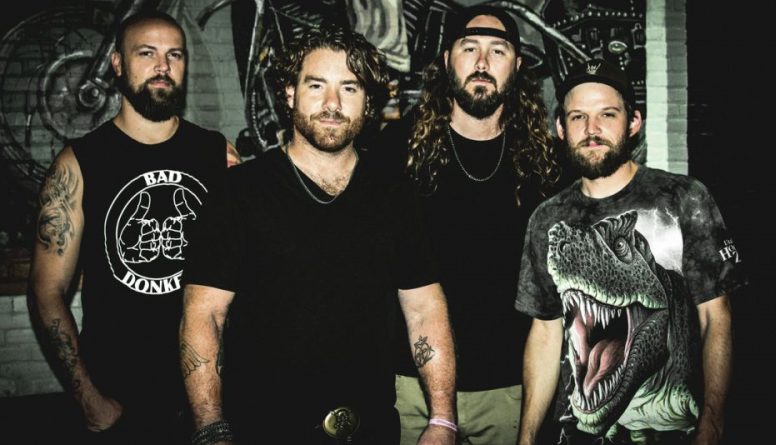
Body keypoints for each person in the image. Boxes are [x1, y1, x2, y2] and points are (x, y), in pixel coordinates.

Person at [179, 27, 457, 445]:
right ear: (290, 93)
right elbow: (204, 315)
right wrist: (211, 428)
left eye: (349, 88)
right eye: (316, 85)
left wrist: (443, 419)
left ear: (368, 102)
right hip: (264, 431)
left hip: (372, 430)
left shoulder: (395, 193)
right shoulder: (238, 192)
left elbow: (424, 309)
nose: (332, 104)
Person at [26, 10, 239, 444]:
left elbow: (246, 268)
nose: (163, 66)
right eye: (147, 53)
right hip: (119, 395)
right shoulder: (78, 163)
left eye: (174, 55)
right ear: (117, 64)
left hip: (210, 393)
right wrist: (90, 399)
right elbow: (47, 291)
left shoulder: (217, 154)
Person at [515, 59, 745, 445]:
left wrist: (713, 421)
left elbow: (715, 317)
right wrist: (525, 437)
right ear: (560, 128)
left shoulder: (685, 198)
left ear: (633, 122)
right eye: (577, 117)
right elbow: (546, 332)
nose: (592, 129)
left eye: (607, 114)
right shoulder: (547, 218)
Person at [375, 5, 561, 445]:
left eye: (498, 51)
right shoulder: (395, 150)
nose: (482, 62)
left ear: (518, 65)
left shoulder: (546, 164)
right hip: (412, 387)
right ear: (446, 61)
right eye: (469, 48)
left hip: (509, 390)